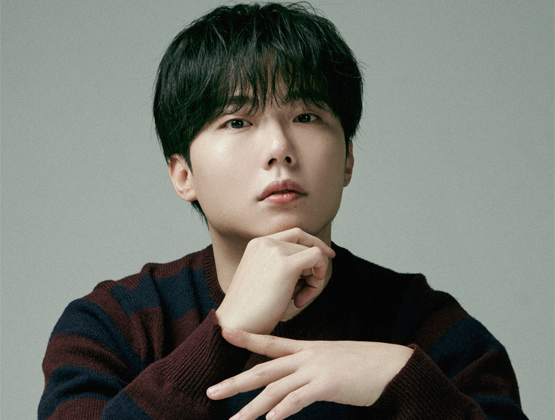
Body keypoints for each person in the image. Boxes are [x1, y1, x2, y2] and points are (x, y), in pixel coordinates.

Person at [39, 3, 528, 419]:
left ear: (348, 159)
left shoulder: (428, 325)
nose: (279, 148)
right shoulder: (113, 324)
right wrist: (226, 331)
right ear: (183, 174)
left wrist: (400, 378)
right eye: (237, 121)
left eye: (306, 116)